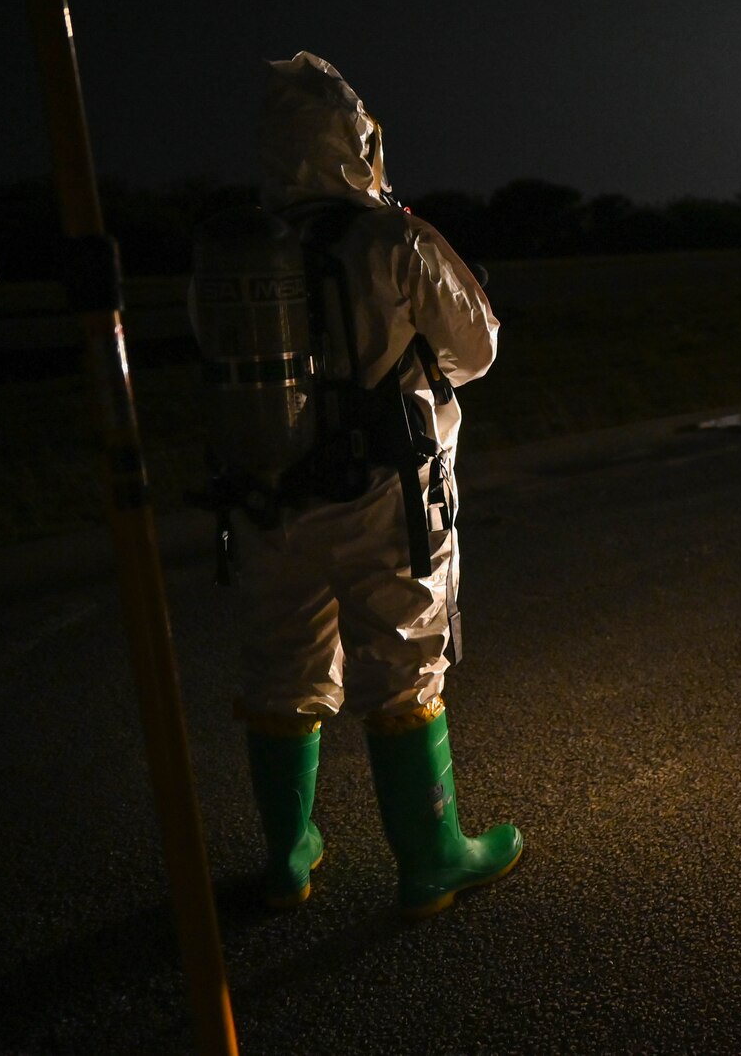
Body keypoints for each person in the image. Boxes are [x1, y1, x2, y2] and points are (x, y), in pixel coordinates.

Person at [219, 52, 521, 917]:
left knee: (283, 668)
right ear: (361, 142)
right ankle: (432, 858)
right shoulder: (394, 240)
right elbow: (478, 351)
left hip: (269, 496)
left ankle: (285, 858)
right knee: (401, 666)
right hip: (382, 499)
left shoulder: (242, 250)